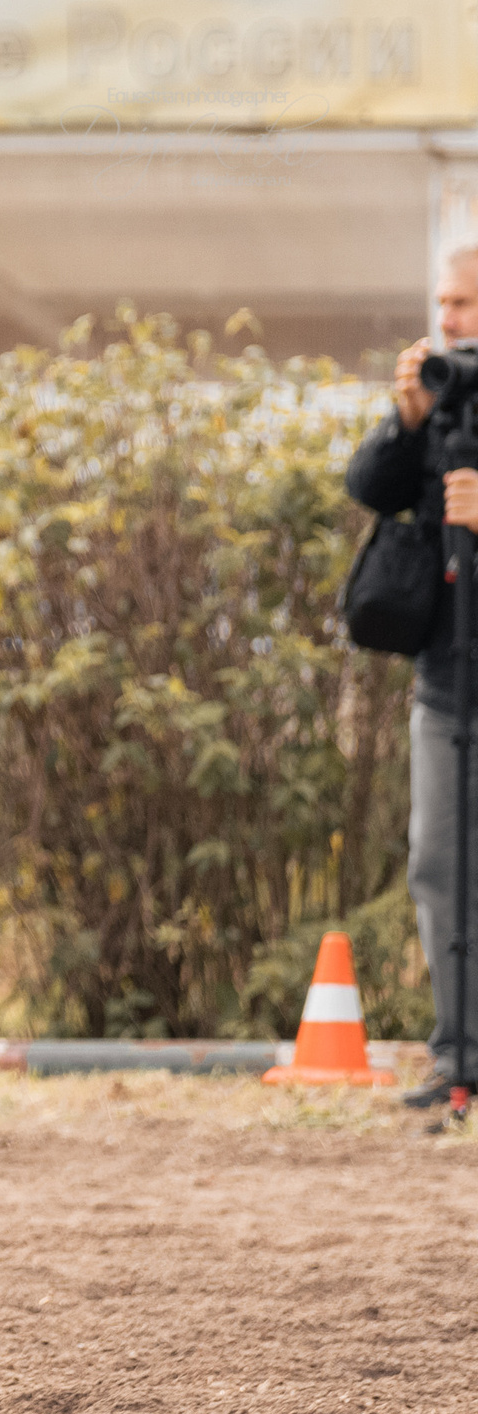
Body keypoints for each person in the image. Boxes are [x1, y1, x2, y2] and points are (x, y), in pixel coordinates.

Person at [351, 245, 478, 1108]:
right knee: (436, 863)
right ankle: (457, 1056)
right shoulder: (437, 398)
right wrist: (405, 418)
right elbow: (367, 486)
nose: (450, 318)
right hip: (445, 678)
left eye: (465, 303)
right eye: (444, 301)